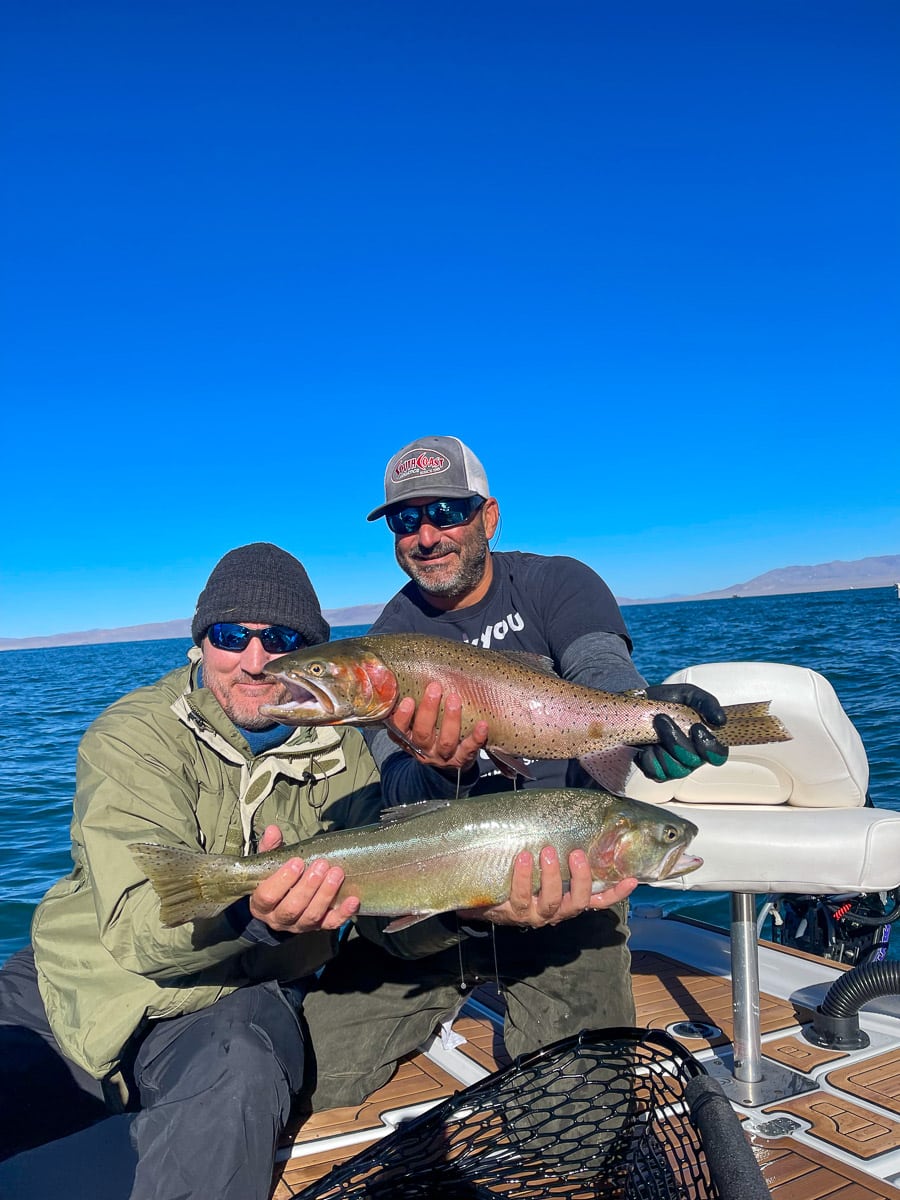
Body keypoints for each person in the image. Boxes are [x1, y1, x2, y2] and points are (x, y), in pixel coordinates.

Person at [297, 436, 728, 1105]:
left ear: (489, 517)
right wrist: (440, 767)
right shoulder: (384, 644)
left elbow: (600, 672)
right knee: (306, 1079)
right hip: (434, 907)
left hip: (569, 890)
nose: (428, 535)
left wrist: (645, 719)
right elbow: (398, 791)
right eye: (406, 520)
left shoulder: (560, 583)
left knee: (579, 1129)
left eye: (447, 511)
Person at [0, 543, 386, 1199]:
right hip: (77, 979)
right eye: (231, 636)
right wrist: (247, 913)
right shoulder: (132, 735)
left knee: (238, 1085)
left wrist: (473, 909)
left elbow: (389, 913)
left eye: (282, 639)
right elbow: (132, 926)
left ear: (314, 650)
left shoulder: (352, 755)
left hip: (228, 1002)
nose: (255, 662)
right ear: (202, 641)